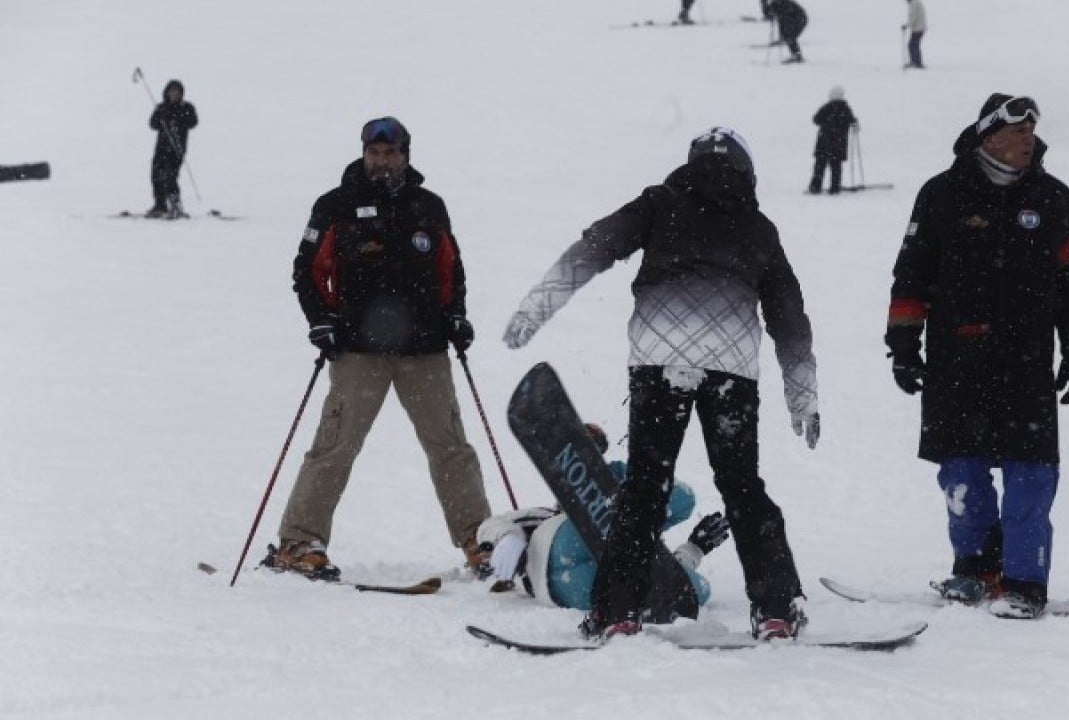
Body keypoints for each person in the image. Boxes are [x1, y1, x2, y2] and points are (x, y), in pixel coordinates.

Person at [502, 126, 820, 641]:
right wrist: (802, 393)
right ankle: (776, 610)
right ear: (747, 171)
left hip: (660, 359)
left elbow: (594, 248)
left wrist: (535, 309)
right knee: (742, 486)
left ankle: (616, 613)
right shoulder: (759, 228)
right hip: (730, 368)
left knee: (645, 488)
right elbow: (789, 317)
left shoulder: (661, 203)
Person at [884, 94, 1069, 619]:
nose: (1029, 140)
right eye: (1019, 131)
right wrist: (904, 345)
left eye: (1032, 131)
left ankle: (1024, 580)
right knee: (962, 471)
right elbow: (911, 274)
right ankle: (976, 568)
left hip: (1026, 361)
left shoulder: (1053, 197)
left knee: (1031, 474)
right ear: (990, 136)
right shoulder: (940, 195)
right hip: (956, 359)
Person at [265, 116, 493, 582]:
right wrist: (320, 319)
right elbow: (307, 269)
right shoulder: (336, 205)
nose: (381, 161)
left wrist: (456, 315)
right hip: (358, 350)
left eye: (390, 153)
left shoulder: (428, 206)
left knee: (450, 447)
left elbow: (451, 269)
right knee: (335, 446)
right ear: (363, 153)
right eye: (374, 153)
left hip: (424, 349)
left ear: (405, 155)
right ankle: (299, 542)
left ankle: (479, 541)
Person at [472, 423, 732, 611]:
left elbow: (684, 498)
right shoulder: (544, 517)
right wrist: (509, 538)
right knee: (622, 525)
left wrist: (692, 550)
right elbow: (488, 527)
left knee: (698, 589)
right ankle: (616, 511)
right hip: (557, 553)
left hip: (584, 584)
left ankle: (622, 511)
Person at [146, 79, 197, 219]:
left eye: (177, 92)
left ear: (181, 94)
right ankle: (160, 205)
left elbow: (193, 122)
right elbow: (152, 124)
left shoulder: (187, 107)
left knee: (170, 176)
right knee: (156, 175)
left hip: (177, 148)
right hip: (161, 148)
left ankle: (176, 205)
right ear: (167, 93)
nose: (174, 94)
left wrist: (179, 120)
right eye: (171, 92)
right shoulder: (161, 108)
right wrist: (161, 118)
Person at [809, 86, 858, 194]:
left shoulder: (827, 107)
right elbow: (852, 121)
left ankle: (815, 187)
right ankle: (835, 187)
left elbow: (816, 120)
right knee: (836, 166)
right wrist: (854, 123)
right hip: (838, 144)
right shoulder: (846, 109)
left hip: (824, 142)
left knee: (820, 166)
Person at [903, 0, 927, 69]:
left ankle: (916, 63)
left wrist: (907, 25)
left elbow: (913, 16)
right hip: (919, 27)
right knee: (913, 45)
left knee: (913, 45)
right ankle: (916, 62)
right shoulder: (915, 2)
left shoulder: (914, 4)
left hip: (918, 28)